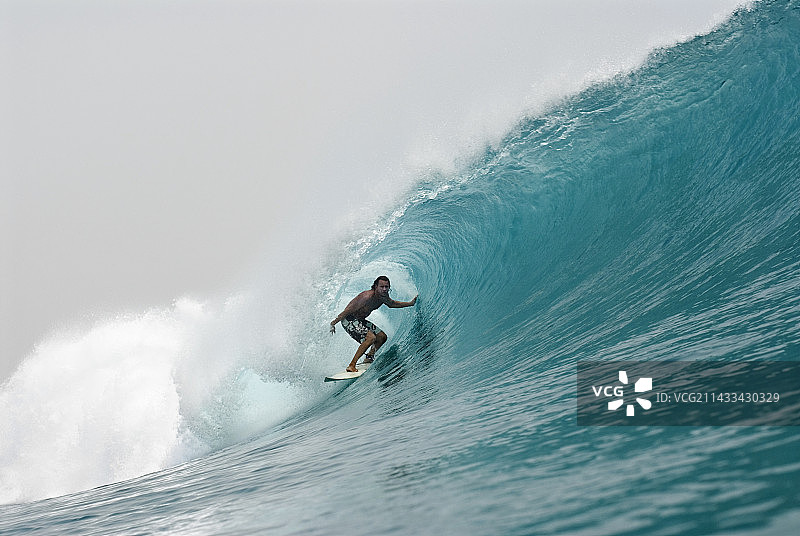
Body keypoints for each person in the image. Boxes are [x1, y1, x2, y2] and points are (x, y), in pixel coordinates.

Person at [330, 276, 418, 372]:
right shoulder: (366, 297)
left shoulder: (383, 296)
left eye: (386, 287)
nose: (384, 289)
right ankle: (351, 365)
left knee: (382, 337)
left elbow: (392, 304)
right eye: (381, 287)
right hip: (348, 320)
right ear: (375, 286)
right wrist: (334, 323)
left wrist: (410, 303)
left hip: (360, 320)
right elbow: (348, 310)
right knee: (371, 338)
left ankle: (369, 357)